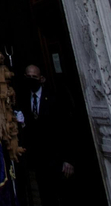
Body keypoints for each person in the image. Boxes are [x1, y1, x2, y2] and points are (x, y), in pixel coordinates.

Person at [15, 62, 74, 205]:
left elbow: (66, 130)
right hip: (38, 159)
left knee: (63, 196)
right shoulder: (22, 99)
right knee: (45, 197)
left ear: (41, 79)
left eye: (34, 77)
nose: (31, 79)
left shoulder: (54, 98)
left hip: (56, 157)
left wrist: (68, 159)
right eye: (28, 76)